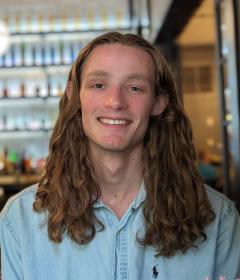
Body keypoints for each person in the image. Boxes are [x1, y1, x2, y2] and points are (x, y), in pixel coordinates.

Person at [0, 32, 240, 280]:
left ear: (158, 102)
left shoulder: (218, 218)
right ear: (75, 95)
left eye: (135, 88)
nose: (115, 101)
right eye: (98, 85)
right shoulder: (20, 221)